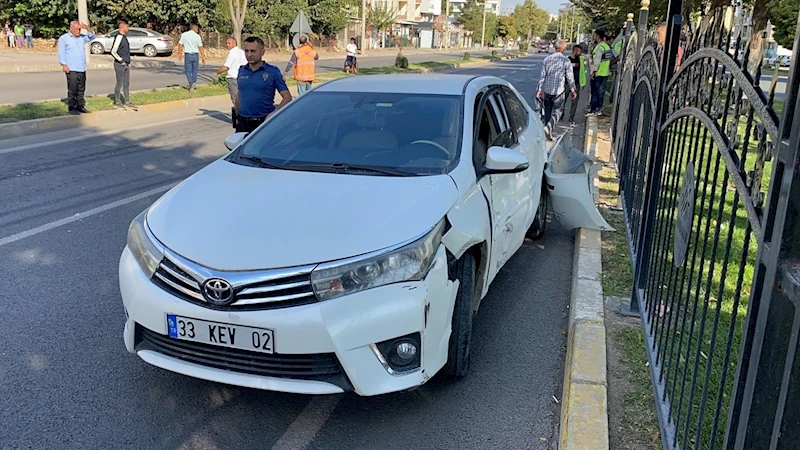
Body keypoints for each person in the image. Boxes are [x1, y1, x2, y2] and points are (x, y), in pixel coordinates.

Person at [234, 36, 292, 133]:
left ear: (262, 52)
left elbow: (287, 97)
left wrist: (275, 113)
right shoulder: (242, 70)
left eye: (253, 51)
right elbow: (240, 93)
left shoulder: (272, 72)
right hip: (243, 123)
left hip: (264, 122)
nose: (249, 54)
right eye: (246, 51)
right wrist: (236, 114)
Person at [536, 39, 577, 141]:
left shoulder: (547, 59)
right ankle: (549, 127)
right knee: (558, 111)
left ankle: (546, 130)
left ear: (555, 48)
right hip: (559, 91)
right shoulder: (566, 61)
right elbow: (570, 77)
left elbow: (542, 76)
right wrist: (573, 90)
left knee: (548, 111)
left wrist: (539, 89)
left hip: (547, 91)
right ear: (563, 49)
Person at [58, 21, 95, 115]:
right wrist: (64, 64)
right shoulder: (64, 38)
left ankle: (80, 106)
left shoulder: (82, 38)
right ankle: (72, 107)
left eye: (79, 29)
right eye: (77, 29)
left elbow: (92, 36)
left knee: (81, 88)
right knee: (72, 88)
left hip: (81, 67)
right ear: (71, 29)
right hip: (71, 68)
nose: (79, 31)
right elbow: (61, 53)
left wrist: (87, 28)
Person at [215, 37, 247, 105]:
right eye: (226, 43)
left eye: (229, 43)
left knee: (235, 99)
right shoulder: (242, 52)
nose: (227, 45)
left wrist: (217, 72)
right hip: (243, 77)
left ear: (234, 43)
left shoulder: (232, 53)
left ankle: (239, 114)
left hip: (233, 78)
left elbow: (226, 67)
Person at [111, 20, 135, 109]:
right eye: (126, 26)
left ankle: (127, 101)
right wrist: (121, 60)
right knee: (119, 83)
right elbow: (113, 51)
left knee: (126, 83)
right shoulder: (119, 37)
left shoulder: (124, 37)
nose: (128, 28)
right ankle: (117, 101)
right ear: (122, 27)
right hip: (120, 64)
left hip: (126, 63)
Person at [588, 29, 612, 115]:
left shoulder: (599, 47)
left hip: (598, 73)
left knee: (595, 92)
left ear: (598, 36)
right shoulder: (607, 47)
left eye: (594, 35)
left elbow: (597, 62)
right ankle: (599, 108)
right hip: (605, 72)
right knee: (601, 92)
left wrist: (593, 72)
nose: (594, 37)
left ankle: (594, 109)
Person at [177, 24, 206, 91]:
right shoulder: (197, 36)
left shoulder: (184, 35)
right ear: (194, 29)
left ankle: (191, 82)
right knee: (195, 70)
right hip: (195, 54)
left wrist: (179, 54)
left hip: (188, 54)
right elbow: (200, 47)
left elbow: (180, 44)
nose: (197, 31)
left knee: (188, 71)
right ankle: (194, 83)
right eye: (197, 29)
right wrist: (203, 57)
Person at [568, 44, 588, 125]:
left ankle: (571, 117)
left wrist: (583, 82)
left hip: (577, 83)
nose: (580, 53)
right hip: (567, 83)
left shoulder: (581, 60)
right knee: (563, 100)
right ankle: (560, 115)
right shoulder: (567, 60)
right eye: (579, 51)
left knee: (574, 101)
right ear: (574, 51)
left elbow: (584, 71)